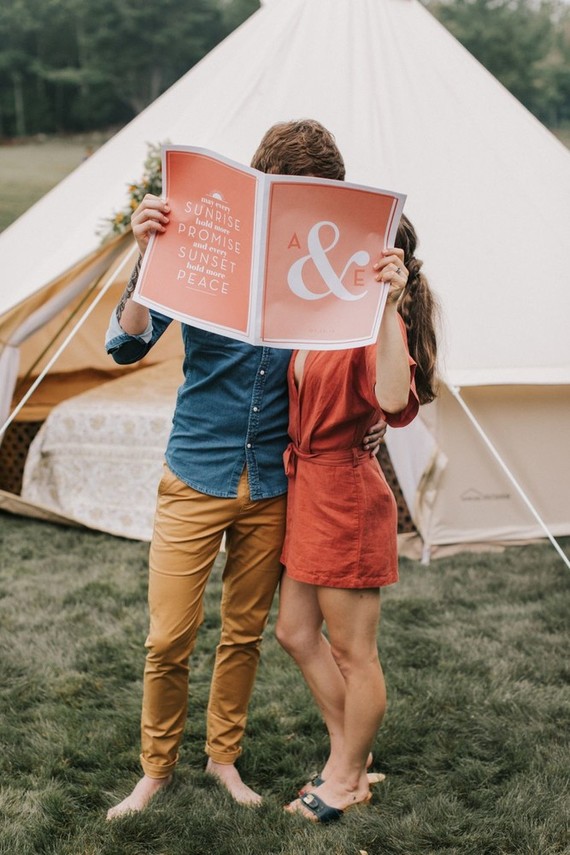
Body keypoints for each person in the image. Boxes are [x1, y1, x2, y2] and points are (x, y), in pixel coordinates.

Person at [104, 119, 385, 818]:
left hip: (275, 481)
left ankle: (222, 757)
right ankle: (155, 769)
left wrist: (370, 415)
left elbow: (358, 362)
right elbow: (126, 343)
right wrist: (145, 257)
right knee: (169, 636)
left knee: (244, 633)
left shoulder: (327, 265)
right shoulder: (202, 242)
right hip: (196, 469)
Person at [273, 195, 439, 822]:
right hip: (309, 486)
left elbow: (396, 397)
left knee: (353, 653)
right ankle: (352, 752)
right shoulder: (332, 308)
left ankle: (346, 779)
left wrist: (391, 307)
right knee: (294, 631)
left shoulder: (380, 319)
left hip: (345, 494)